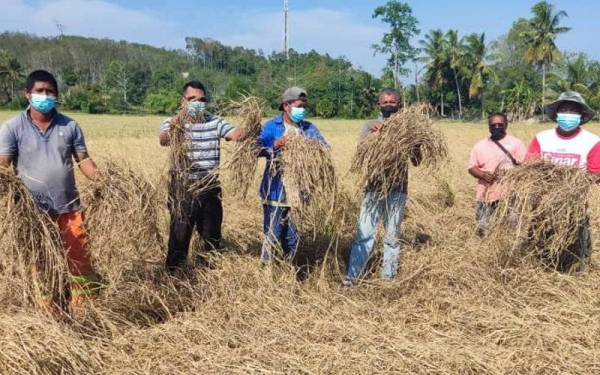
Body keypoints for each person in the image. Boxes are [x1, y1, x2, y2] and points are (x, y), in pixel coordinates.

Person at [0, 70, 101, 316]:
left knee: (79, 258)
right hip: (34, 213)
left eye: (50, 92)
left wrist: (103, 180)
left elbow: (83, 160)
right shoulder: (13, 127)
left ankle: (85, 310)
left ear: (56, 95)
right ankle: (50, 311)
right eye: (39, 91)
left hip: (69, 207)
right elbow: (3, 165)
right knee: (42, 262)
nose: (44, 96)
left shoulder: (70, 125)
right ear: (28, 94)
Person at [159, 80, 243, 272]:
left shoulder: (215, 122)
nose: (198, 103)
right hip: (182, 189)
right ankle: (175, 278)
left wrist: (252, 127)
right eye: (192, 99)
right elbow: (163, 140)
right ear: (183, 101)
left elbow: (235, 134)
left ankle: (208, 276)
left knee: (211, 238)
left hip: (210, 188)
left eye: (202, 99)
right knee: (179, 237)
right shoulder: (173, 123)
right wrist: (173, 127)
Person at [343, 88, 418, 286]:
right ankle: (352, 278)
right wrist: (377, 137)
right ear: (379, 105)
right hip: (373, 188)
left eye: (392, 102)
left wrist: (412, 142)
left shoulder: (408, 128)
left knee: (392, 236)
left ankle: (389, 278)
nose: (389, 106)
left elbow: (417, 160)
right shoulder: (370, 126)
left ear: (399, 104)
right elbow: (362, 155)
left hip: (398, 189)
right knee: (364, 234)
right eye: (385, 102)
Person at [525, 91, 599, 271]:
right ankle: (541, 276)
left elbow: (595, 174)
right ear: (557, 113)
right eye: (564, 109)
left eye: (573, 111)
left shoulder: (592, 142)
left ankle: (573, 278)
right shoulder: (542, 138)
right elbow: (529, 166)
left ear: (581, 116)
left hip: (574, 208)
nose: (568, 114)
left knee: (575, 252)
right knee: (540, 249)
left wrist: (569, 187)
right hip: (542, 207)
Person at [257, 87, 328, 262]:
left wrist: (311, 147)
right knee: (272, 235)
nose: (302, 110)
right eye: (298, 105)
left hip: (299, 193)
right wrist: (276, 144)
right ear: (286, 105)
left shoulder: (308, 128)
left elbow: (325, 148)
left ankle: (290, 271)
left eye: (304, 106)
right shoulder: (272, 126)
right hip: (275, 191)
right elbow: (255, 149)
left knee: (292, 238)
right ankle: (267, 272)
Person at [468, 112, 526, 236]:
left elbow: (525, 167)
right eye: (493, 125)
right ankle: (486, 248)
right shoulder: (480, 146)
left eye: (500, 124)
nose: (496, 127)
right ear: (489, 127)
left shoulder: (516, 144)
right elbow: (471, 167)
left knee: (512, 224)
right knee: (484, 226)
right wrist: (482, 175)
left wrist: (510, 174)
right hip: (486, 194)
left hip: (511, 193)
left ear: (506, 125)